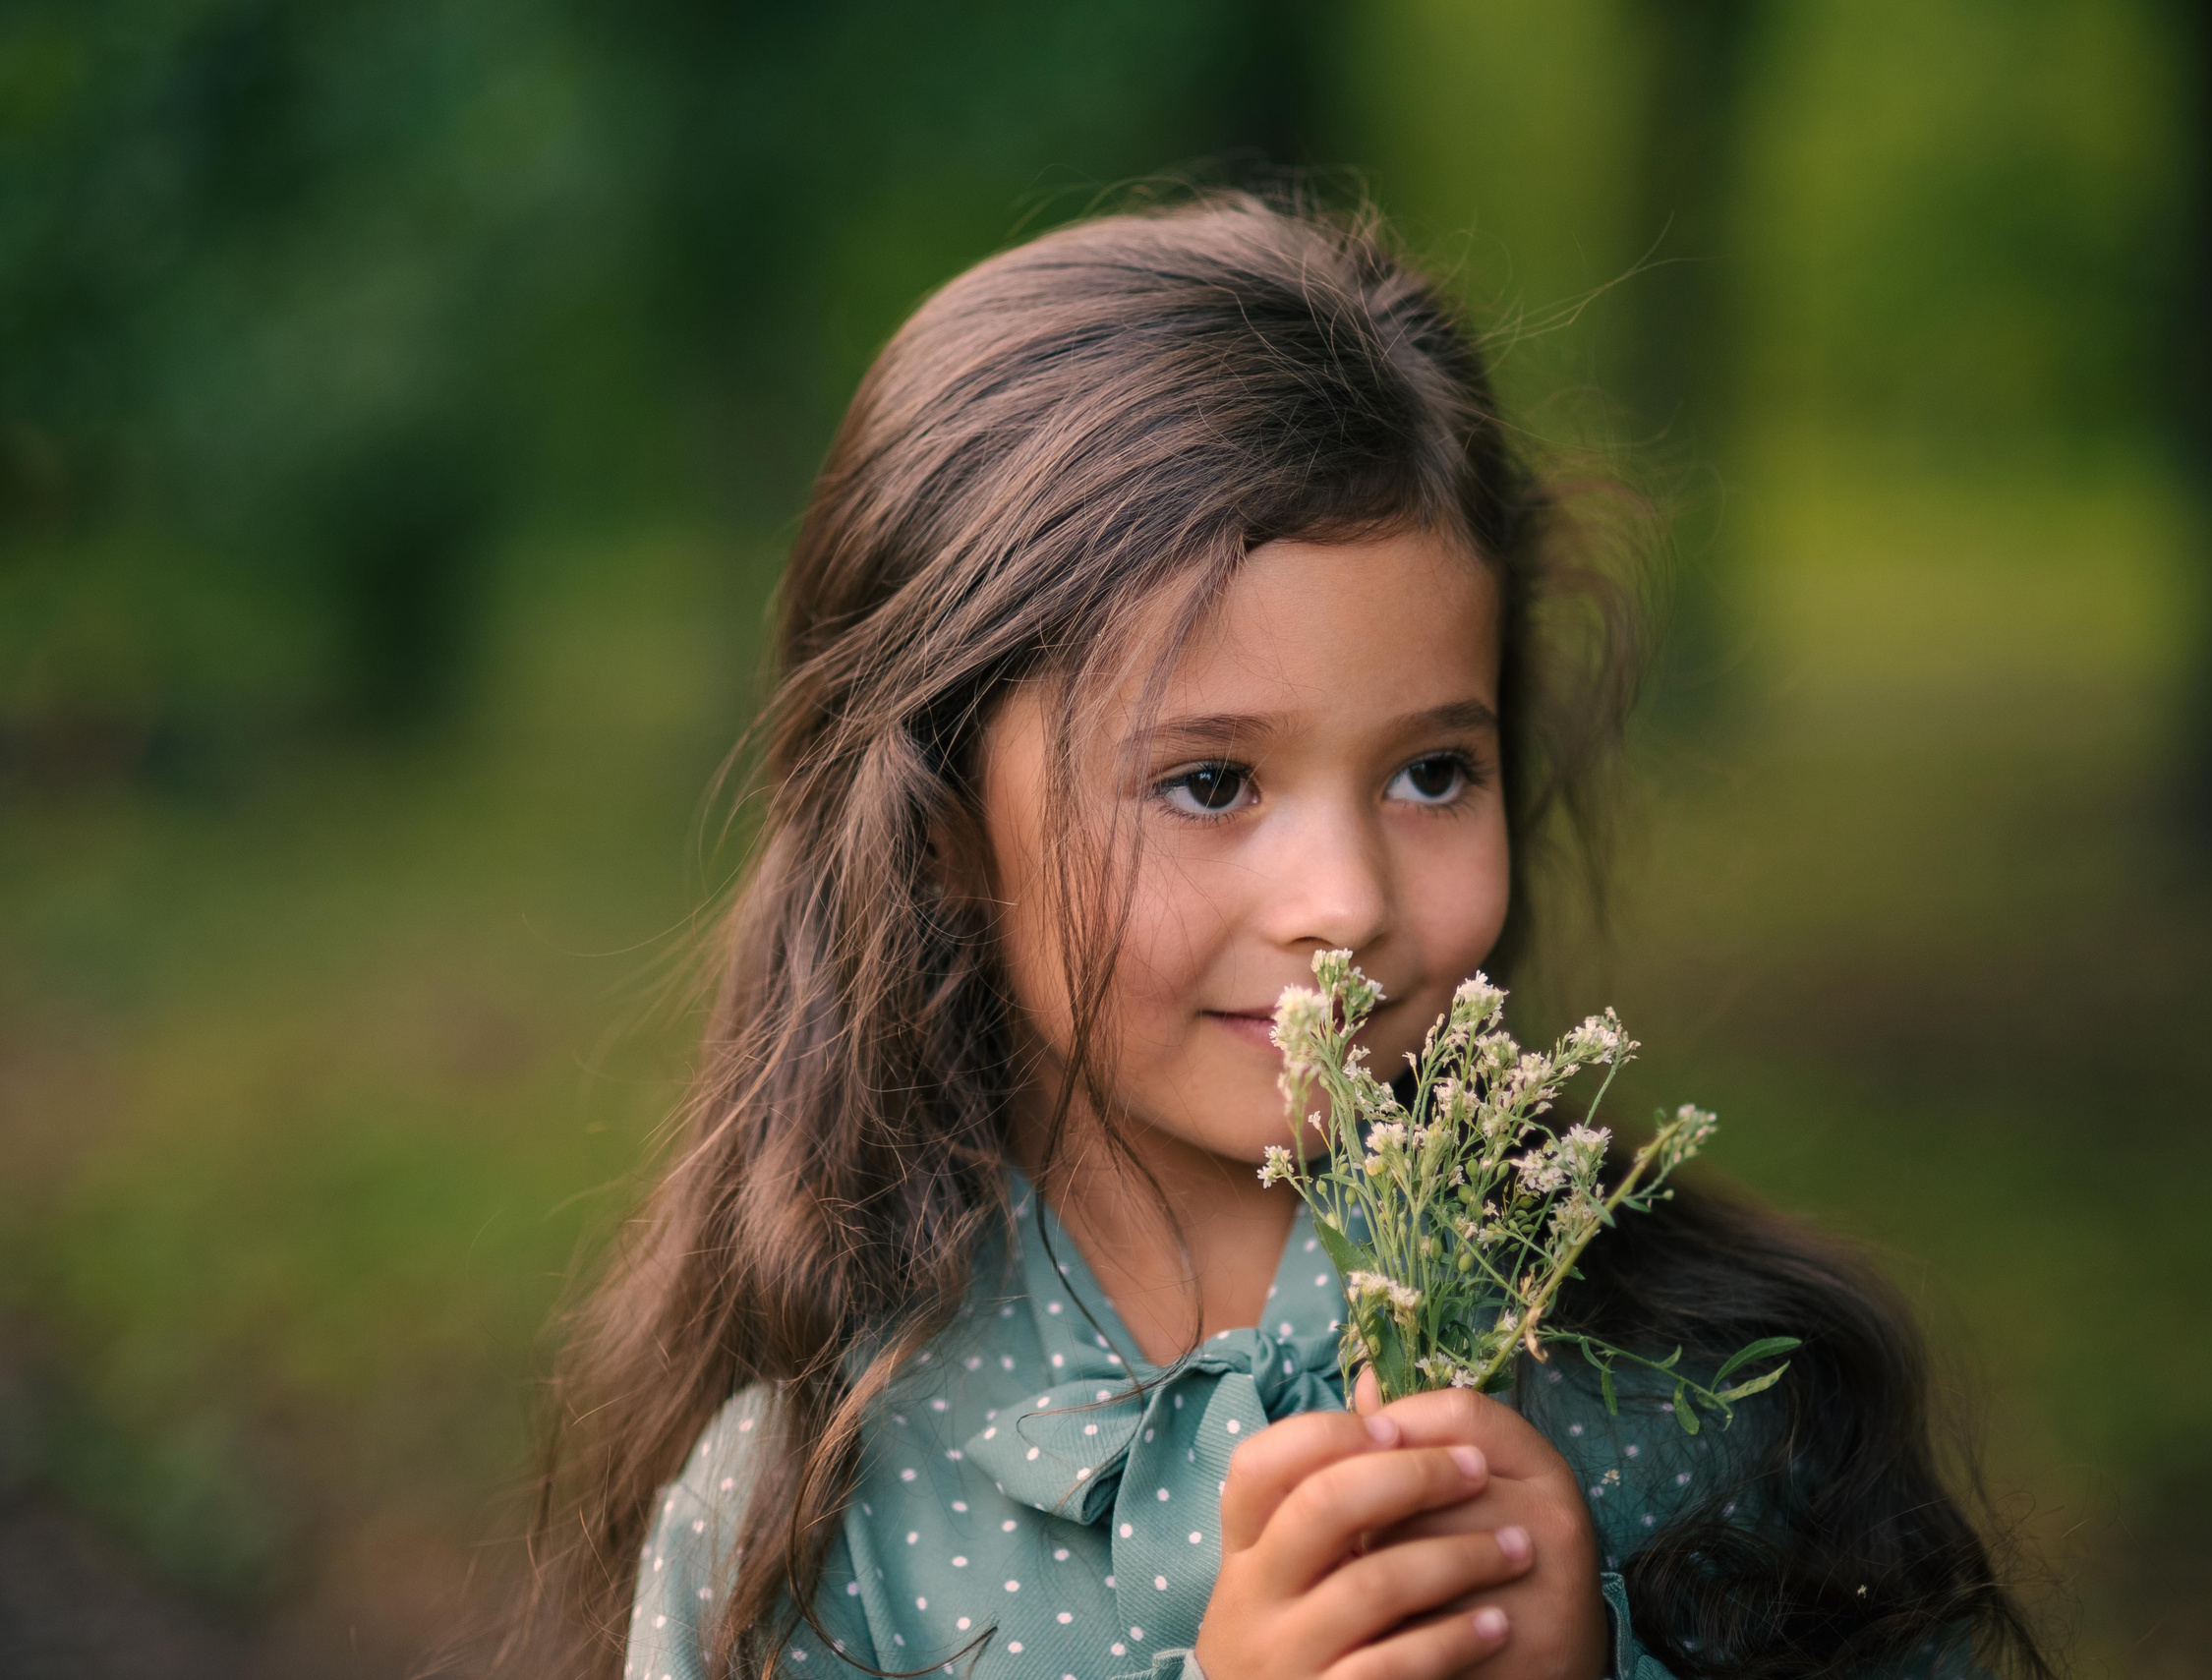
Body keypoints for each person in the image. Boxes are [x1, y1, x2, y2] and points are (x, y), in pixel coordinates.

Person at [510, 192, 2051, 1680]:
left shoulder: (1716, 1412)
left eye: (1432, 770)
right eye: (1210, 782)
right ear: (945, 830)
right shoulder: (814, 1517)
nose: (1350, 900)